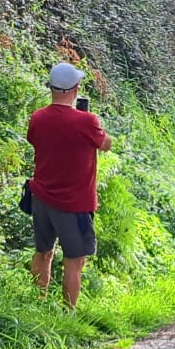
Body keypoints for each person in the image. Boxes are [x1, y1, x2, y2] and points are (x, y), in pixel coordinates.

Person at [25, 61, 112, 308]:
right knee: (74, 261)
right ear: (75, 89)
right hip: (75, 203)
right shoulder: (87, 121)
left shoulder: (38, 118)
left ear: (51, 88)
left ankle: (37, 305)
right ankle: (68, 313)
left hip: (41, 196)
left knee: (43, 252)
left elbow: (35, 140)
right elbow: (106, 144)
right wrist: (93, 124)